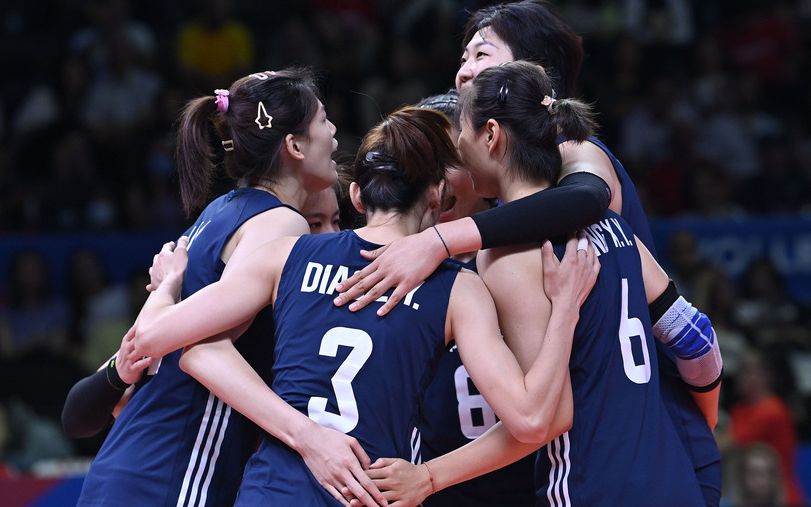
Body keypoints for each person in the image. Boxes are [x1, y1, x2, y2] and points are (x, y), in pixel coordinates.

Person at [334, 2, 723, 504]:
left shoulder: (540, 213)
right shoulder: (609, 230)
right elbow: (695, 335)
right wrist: (703, 421)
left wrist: (426, 477)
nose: (464, 71)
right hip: (669, 460)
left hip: (594, 479)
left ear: (493, 131)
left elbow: (541, 419)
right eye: (463, 58)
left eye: (481, 55)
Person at [132, 106, 599, 506]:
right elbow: (533, 419)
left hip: (272, 491)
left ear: (356, 195)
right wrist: (564, 310)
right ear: (437, 196)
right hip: (371, 493)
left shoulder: (286, 254)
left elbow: (160, 340)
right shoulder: (458, 289)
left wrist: (168, 288)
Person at [64, 68, 385, 507]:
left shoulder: (218, 213)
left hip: (129, 461)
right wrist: (310, 437)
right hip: (177, 468)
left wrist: (163, 294)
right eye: (324, 120)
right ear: (294, 146)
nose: (333, 133)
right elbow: (201, 353)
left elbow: (155, 360)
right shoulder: (280, 221)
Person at [414, 90, 534, 506]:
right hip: (429, 491)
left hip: (525, 486)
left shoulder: (520, 258)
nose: (435, 178)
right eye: (422, 162)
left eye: (448, 159)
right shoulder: (391, 265)